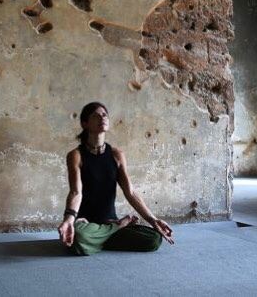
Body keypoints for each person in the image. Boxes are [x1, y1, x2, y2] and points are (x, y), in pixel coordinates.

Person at [57, 102, 174, 255]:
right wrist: (69, 220)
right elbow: (75, 192)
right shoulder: (76, 155)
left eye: (104, 114)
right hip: (85, 224)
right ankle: (114, 230)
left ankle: (98, 240)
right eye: (96, 115)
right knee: (78, 237)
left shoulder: (116, 154)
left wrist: (153, 220)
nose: (102, 117)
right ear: (84, 123)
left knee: (153, 239)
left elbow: (130, 192)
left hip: (108, 221)